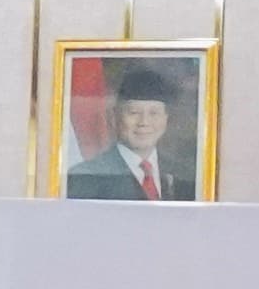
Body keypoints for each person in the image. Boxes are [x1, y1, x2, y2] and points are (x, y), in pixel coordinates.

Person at [67, 67, 198, 201]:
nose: (144, 122)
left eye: (154, 113)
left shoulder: (183, 175)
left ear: (166, 118)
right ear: (114, 116)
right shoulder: (85, 177)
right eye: (134, 112)